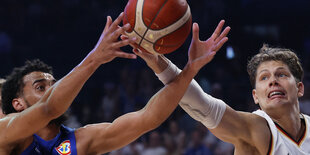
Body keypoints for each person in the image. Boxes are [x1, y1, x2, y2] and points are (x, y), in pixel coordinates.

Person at [0, 12, 228, 154]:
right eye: (41, 87)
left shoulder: (82, 140)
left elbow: (148, 118)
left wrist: (190, 69)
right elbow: (49, 107)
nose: (52, 90)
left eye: (53, 83)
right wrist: (95, 58)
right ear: (18, 104)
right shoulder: (6, 133)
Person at [137, 20, 310, 154]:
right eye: (264, 77)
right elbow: (202, 105)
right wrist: (159, 63)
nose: (273, 81)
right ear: (255, 96)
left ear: (300, 88)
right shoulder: (255, 129)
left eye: (281, 74)